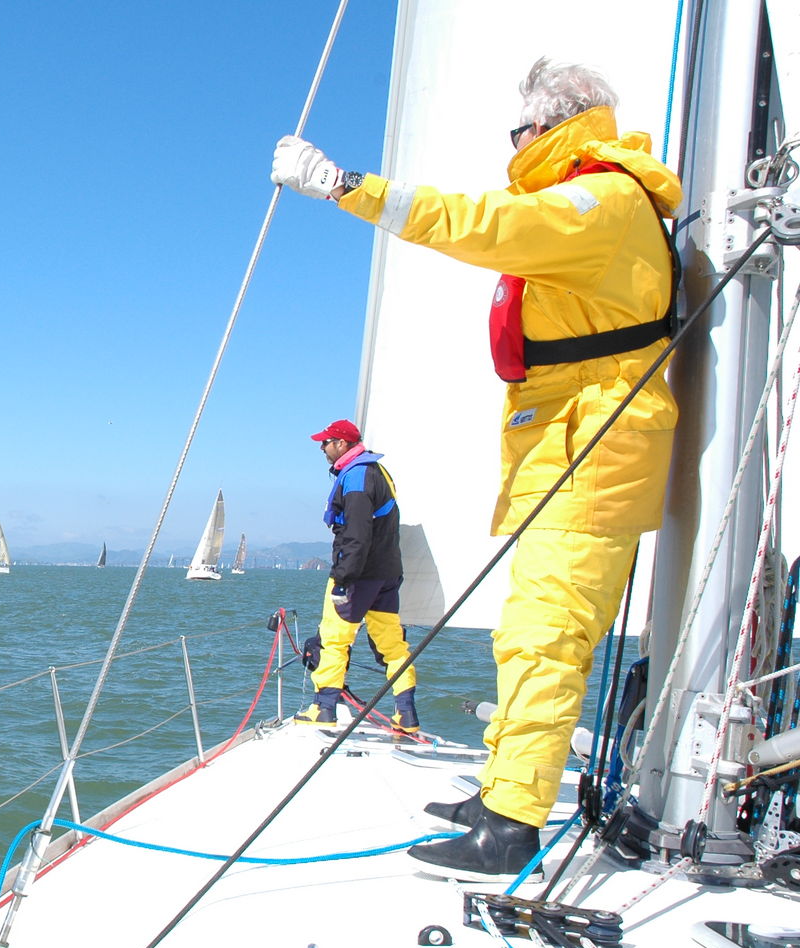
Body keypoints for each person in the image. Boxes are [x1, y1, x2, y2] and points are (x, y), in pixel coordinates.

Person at [272, 58, 682, 880]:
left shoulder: (596, 202)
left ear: (551, 125)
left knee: (544, 641)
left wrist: (342, 186)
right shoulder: (595, 201)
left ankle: (510, 829)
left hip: (590, 453)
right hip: (568, 449)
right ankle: (502, 793)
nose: (514, 144)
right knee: (525, 635)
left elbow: (478, 223)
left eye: (519, 129)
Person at [296, 419, 420, 735]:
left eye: (326, 442)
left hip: (359, 575)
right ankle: (406, 713)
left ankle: (324, 708)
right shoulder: (377, 472)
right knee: (393, 646)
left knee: (334, 639)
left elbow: (357, 534)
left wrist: (343, 579)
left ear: (342, 443)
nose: (322, 448)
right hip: (387, 573)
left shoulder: (356, 477)